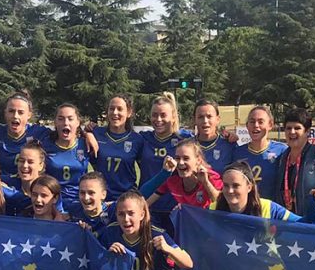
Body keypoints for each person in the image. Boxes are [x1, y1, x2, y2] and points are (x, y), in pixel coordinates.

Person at [139, 93, 192, 231]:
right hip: (147, 205)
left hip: (176, 208)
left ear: (173, 117)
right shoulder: (143, 138)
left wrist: (229, 136)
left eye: (163, 115)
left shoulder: (185, 139)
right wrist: (89, 132)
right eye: (154, 115)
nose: (158, 119)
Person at [0, 90, 51, 182]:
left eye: (21, 112)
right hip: (2, 186)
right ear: (5, 112)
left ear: (29, 115)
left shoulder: (39, 133)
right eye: (11, 111)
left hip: (28, 187)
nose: (15, 116)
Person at [89, 95, 145, 201]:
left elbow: (145, 171)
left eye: (120, 109)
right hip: (101, 198)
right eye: (111, 108)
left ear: (129, 113)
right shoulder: (96, 133)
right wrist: (87, 133)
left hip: (126, 199)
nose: (115, 112)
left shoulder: (137, 139)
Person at [141, 138, 222, 210]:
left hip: (209, 221)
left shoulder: (210, 176)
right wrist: (164, 172)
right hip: (187, 221)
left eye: (186, 158)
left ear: (198, 161)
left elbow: (219, 200)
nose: (181, 162)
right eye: (177, 158)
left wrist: (206, 182)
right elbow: (147, 198)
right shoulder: (172, 178)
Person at [230, 106, 287, 200]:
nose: (256, 125)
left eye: (261, 122)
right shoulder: (237, 152)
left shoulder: (282, 150)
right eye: (252, 122)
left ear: (270, 125)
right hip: (246, 207)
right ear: (247, 125)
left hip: (272, 207)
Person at [214, 161, 299, 221]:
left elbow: (301, 224)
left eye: (236, 186)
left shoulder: (268, 208)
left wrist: (309, 201)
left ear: (249, 187)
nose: (230, 191)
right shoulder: (213, 209)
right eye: (226, 185)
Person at [41, 103, 90, 207]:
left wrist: (89, 134)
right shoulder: (45, 145)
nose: (66, 123)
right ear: (55, 122)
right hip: (52, 202)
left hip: (80, 202)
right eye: (61, 119)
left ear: (78, 122)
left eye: (70, 119)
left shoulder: (86, 144)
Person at [7, 141, 49, 215]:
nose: (25, 165)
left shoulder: (49, 188)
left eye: (30, 162)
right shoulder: (7, 183)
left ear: (41, 165)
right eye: (21, 161)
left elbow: (58, 215)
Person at [193, 99, 235, 174]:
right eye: (200, 117)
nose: (205, 121)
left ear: (217, 119)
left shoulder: (229, 146)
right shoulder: (187, 146)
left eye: (209, 116)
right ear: (194, 120)